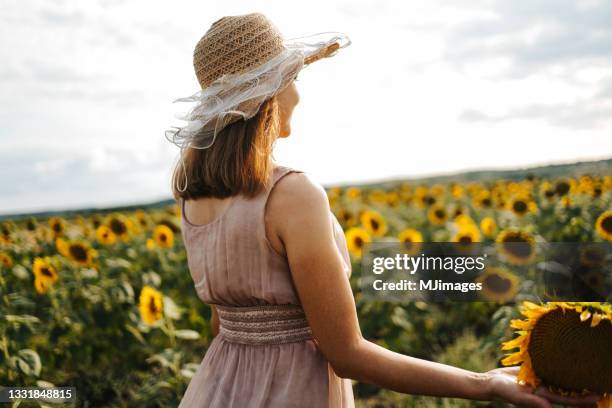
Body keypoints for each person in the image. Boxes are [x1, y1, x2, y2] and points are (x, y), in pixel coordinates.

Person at [166, 12, 600, 408]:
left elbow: (222, 329)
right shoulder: (292, 195)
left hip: (216, 391)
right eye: (292, 78)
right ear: (270, 94)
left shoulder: (194, 199)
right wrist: (484, 382)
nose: (297, 92)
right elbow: (347, 354)